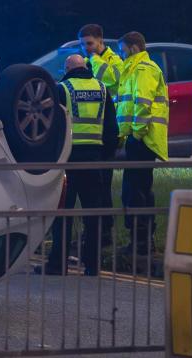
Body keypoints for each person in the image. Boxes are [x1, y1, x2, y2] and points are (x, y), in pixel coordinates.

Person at [40, 54, 118, 276]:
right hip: (94, 159)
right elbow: (112, 128)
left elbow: (52, 126)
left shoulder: (62, 89)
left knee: (62, 212)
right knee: (93, 213)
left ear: (67, 68)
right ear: (85, 67)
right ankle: (93, 265)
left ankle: (58, 264)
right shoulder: (102, 89)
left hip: (67, 159)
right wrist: (106, 156)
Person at [116, 31, 169, 255]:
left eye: (123, 50)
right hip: (139, 138)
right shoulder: (135, 69)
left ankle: (141, 242)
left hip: (143, 139)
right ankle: (142, 241)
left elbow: (142, 104)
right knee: (139, 188)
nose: (121, 54)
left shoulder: (143, 69)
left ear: (133, 48)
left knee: (135, 190)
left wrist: (136, 134)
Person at [78, 23, 121, 242]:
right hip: (95, 131)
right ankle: (97, 232)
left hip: (108, 129)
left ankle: (105, 232)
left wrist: (94, 59)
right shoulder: (88, 60)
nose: (86, 48)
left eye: (90, 43)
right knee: (96, 185)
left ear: (100, 41)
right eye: (83, 44)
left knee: (104, 183)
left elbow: (112, 81)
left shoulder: (112, 61)